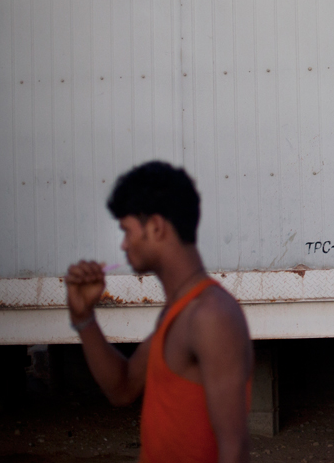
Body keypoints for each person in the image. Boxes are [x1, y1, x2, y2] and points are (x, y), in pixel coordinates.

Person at [65, 161, 253, 462]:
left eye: (126, 231)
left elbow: (234, 449)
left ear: (155, 227)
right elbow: (122, 388)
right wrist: (83, 318)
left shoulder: (211, 315)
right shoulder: (179, 311)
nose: (124, 245)